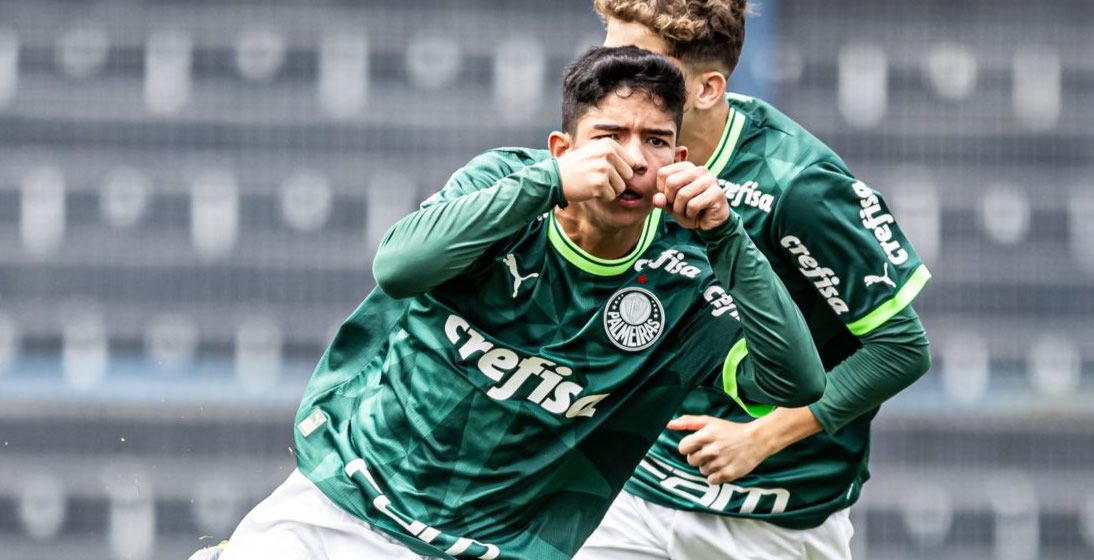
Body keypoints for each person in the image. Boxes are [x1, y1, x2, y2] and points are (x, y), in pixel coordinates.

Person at [212, 45, 826, 560]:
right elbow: (398, 268)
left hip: (491, 550)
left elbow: (796, 382)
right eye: (610, 136)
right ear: (563, 147)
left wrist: (727, 233)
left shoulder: (689, 274)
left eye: (656, 141)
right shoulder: (503, 184)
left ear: (680, 160)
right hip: (342, 503)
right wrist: (550, 182)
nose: (634, 159)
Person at [571, 2, 933, 559]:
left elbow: (901, 349)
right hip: (633, 497)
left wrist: (760, 437)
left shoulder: (798, 184)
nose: (614, 75)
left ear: (708, 88)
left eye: (639, 60)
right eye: (608, 51)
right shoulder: (613, 150)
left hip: (772, 520)